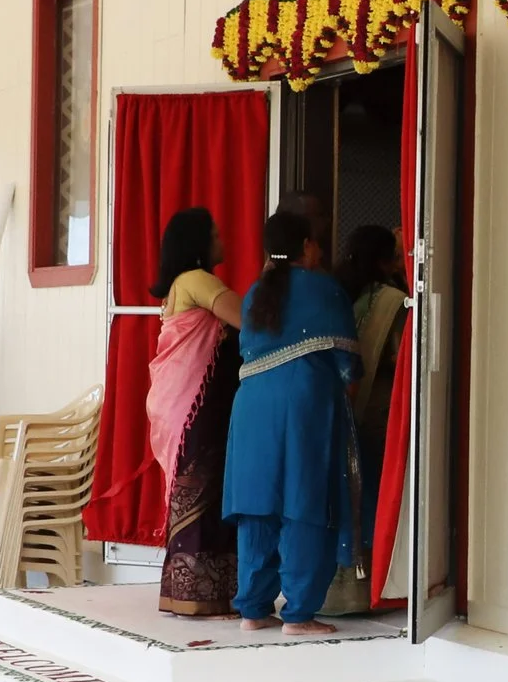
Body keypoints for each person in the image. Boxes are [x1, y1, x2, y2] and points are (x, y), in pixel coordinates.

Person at [222, 209, 360, 637]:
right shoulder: (324, 289)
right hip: (304, 403)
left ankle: (253, 610)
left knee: (258, 505)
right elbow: (349, 368)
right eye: (316, 242)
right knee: (305, 501)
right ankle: (298, 615)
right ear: (306, 246)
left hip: (251, 407)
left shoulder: (254, 293)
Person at [144, 208, 242, 616]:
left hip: (180, 404)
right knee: (202, 493)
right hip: (194, 409)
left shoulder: (179, 285)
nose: (222, 240)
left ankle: (180, 592)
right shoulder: (198, 280)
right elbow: (249, 320)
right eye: (215, 235)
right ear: (199, 243)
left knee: (191, 494)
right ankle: (198, 596)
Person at [334, 224, 405, 514]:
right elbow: (401, 357)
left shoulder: (337, 292)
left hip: (341, 410)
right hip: (378, 411)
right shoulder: (394, 301)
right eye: (396, 257)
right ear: (383, 262)